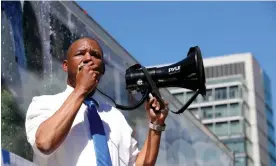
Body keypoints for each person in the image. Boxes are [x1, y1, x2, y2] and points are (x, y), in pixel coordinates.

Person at [25, 37, 169, 166]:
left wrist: (156, 125)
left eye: (95, 55)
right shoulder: (44, 104)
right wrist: (81, 90)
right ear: (65, 66)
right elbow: (44, 143)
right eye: (80, 54)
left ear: (102, 69)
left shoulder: (115, 116)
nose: (88, 58)